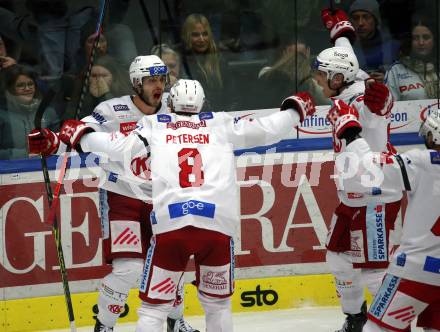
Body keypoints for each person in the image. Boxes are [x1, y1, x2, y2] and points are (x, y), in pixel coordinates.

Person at [53, 79, 317, 332]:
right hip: (216, 228)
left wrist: (81, 136)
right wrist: (295, 110)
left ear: (171, 103)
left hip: (172, 226)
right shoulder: (219, 123)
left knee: (153, 309)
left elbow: (120, 147)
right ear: (202, 103)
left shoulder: (155, 125)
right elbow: (267, 129)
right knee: (218, 305)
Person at [27, 56, 199, 332]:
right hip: (122, 197)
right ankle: (104, 326)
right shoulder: (111, 110)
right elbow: (77, 136)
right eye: (151, 80)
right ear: (136, 83)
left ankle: (174, 320)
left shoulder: (175, 105)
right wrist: (51, 142)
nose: (158, 86)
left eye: (161, 79)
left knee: (172, 263)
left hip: (166, 198)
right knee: (129, 270)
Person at [316, 8, 403, 332]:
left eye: (322, 75)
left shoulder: (364, 98)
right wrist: (338, 28)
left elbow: (380, 106)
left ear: (337, 78)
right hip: (354, 195)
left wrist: (380, 101)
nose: (318, 80)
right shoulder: (350, 76)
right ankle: (356, 319)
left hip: (375, 194)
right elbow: (345, 51)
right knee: (337, 258)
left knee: (374, 272)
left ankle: (391, 325)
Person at [327, 100, 440, 332]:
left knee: (376, 329)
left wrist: (350, 131)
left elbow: (370, 169)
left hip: (417, 269)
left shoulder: (423, 161)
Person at [0, 65, 59, 160]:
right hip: (11, 171)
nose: (27, 88)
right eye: (20, 85)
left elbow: (61, 144)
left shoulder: (48, 112)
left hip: (48, 169)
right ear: (9, 89)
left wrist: (51, 146)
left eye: (30, 84)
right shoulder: (2, 115)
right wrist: (26, 153)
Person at [180, 13, 230, 112]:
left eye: (205, 34)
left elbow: (231, 97)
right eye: (195, 35)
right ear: (187, 36)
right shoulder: (181, 60)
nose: (202, 39)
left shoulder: (219, 59)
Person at [257, 41, 328, 107]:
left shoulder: (313, 82)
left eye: (300, 54)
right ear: (285, 52)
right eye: (292, 53)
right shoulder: (267, 73)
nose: (296, 57)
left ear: (307, 52)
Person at [385, 17, 439, 101]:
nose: (421, 42)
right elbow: (389, 108)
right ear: (410, 41)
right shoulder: (396, 70)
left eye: (426, 37)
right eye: (416, 38)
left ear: (434, 40)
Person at [64, 54, 133, 120]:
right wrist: (89, 98)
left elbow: (122, 117)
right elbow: (70, 118)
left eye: (103, 76)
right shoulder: (80, 93)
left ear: (114, 77)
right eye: (94, 76)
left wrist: (106, 95)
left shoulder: (125, 93)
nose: (98, 80)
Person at [349, 0, 400, 82]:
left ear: (376, 20)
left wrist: (388, 79)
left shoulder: (394, 47)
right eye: (356, 18)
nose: (360, 23)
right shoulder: (346, 49)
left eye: (366, 17)